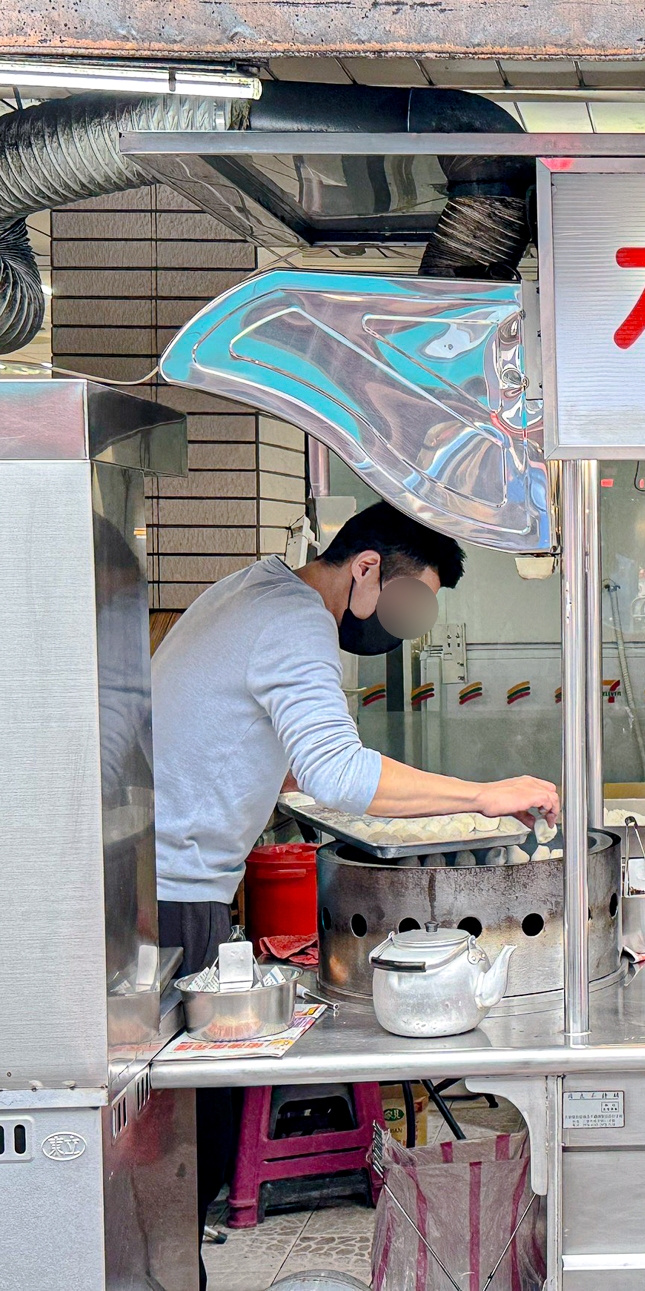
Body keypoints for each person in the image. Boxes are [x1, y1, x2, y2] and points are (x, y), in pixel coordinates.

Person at [152, 501, 560, 1283]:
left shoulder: (252, 592)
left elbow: (300, 764)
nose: (407, 626)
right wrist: (482, 794)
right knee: (176, 1153)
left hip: (166, 882)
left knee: (174, 1151)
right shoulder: (296, 619)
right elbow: (338, 772)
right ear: (367, 568)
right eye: (412, 601)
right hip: (173, 896)